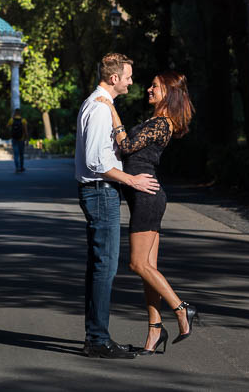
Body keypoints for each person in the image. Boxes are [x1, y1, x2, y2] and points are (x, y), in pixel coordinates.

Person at [95, 71, 199, 355]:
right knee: (147, 269)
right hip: (147, 197)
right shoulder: (157, 121)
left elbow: (126, 146)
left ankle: (181, 309)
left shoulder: (162, 123)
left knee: (138, 265)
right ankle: (155, 330)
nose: (149, 90)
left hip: (146, 198)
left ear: (168, 91)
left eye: (155, 86)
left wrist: (111, 110)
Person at [75, 53, 160, 359]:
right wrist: (132, 180)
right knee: (104, 267)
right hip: (100, 191)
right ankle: (97, 340)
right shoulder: (98, 108)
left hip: (100, 192)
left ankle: (95, 337)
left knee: (100, 266)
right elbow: (96, 162)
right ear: (114, 79)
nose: (131, 81)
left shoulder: (99, 105)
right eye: (128, 77)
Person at [10, 109, 29, 173]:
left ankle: (17, 168)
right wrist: (27, 139)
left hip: (14, 139)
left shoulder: (11, 120)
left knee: (16, 154)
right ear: (20, 113)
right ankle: (21, 167)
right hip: (21, 139)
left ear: (15, 113)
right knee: (21, 154)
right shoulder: (23, 120)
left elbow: (7, 126)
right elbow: (26, 131)